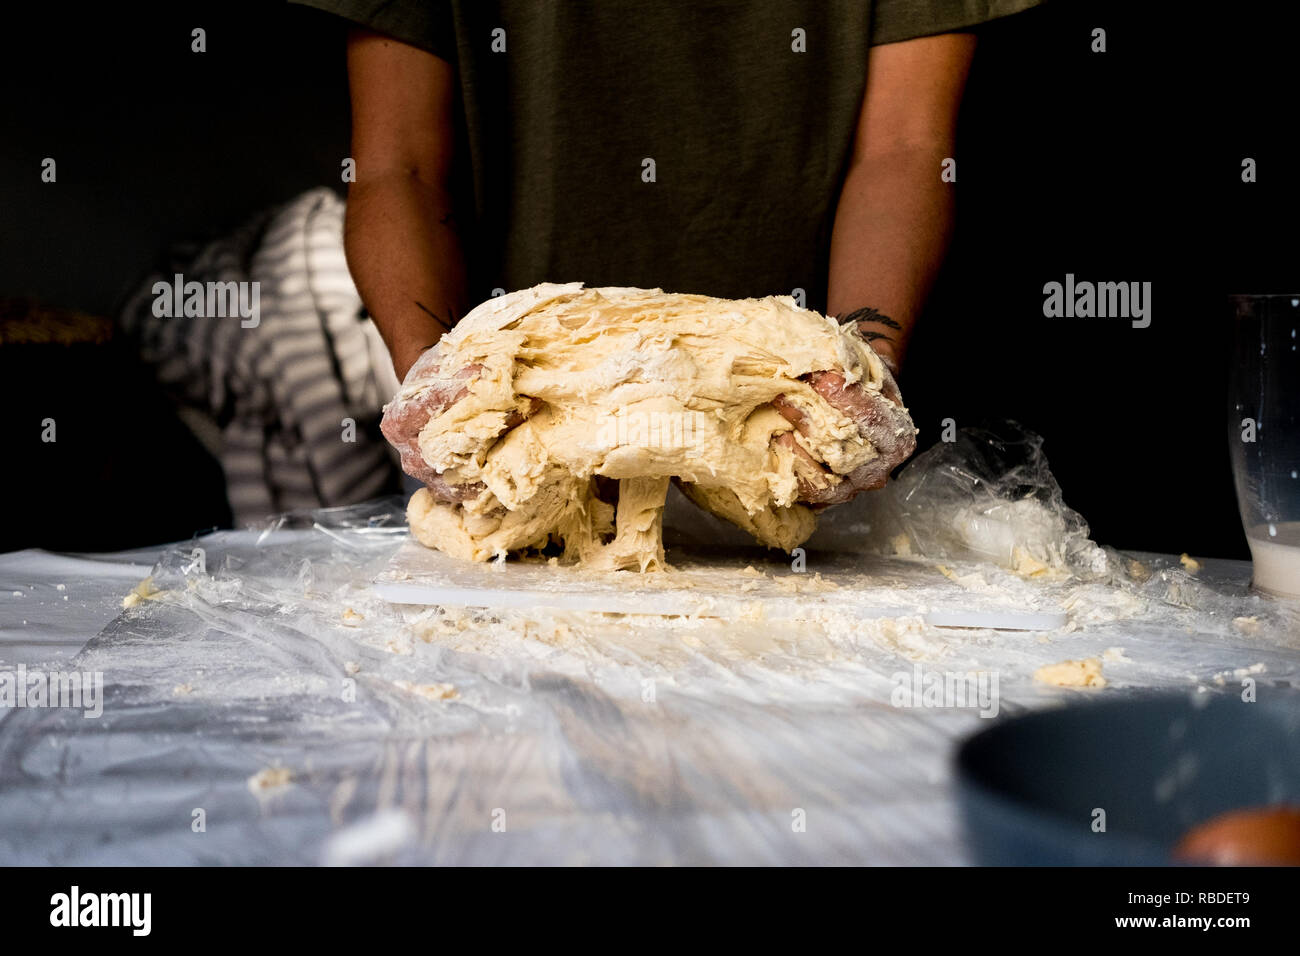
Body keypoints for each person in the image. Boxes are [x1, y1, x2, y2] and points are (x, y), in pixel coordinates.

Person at [298, 0, 1041, 384]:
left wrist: (862, 367)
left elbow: (906, 148)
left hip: (792, 409)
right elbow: (399, 166)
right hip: (520, 407)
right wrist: (437, 377)